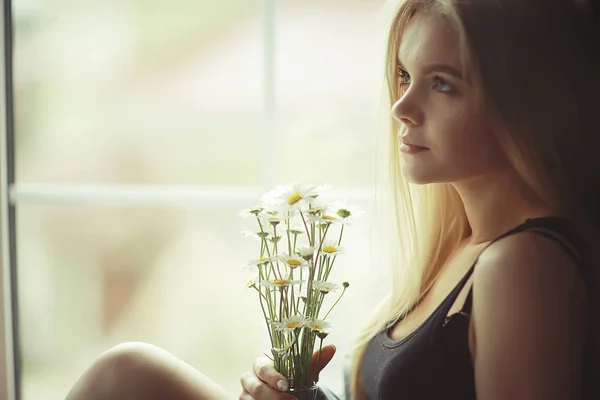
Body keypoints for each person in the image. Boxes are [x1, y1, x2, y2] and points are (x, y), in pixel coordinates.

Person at [64, 0, 600, 399]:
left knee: (126, 376)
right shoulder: (462, 251)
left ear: (523, 102)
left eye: (442, 84)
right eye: (405, 77)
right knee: (126, 374)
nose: (402, 108)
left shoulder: (523, 264)